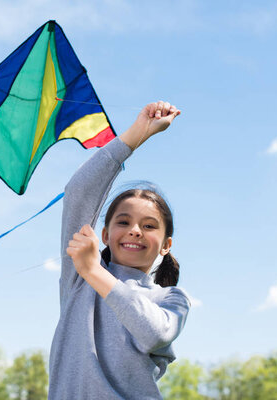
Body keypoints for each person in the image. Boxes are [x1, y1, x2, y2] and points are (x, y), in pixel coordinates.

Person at [48, 101, 190, 399]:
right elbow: (78, 193)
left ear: (166, 245)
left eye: (150, 226)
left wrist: (93, 271)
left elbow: (153, 333)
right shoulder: (79, 278)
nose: (135, 230)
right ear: (105, 235)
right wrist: (137, 134)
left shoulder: (170, 298)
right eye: (123, 222)